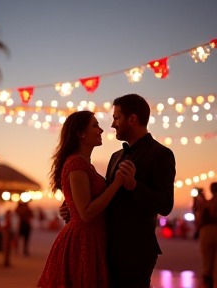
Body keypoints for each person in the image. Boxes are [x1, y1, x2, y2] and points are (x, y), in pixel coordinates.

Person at [60, 94, 176, 288]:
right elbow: (106, 196)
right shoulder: (116, 156)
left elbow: (165, 205)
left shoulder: (160, 154)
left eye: (116, 118)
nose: (112, 124)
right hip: (105, 249)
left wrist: (135, 187)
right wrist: (73, 207)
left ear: (132, 119)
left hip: (135, 252)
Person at [38, 111, 124, 287]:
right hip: (83, 241)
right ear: (80, 133)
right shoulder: (76, 164)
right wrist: (116, 184)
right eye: (95, 125)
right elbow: (85, 213)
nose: (100, 130)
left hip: (92, 238)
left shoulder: (84, 164)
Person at [195, 182, 217, 288]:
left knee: (206, 263)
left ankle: (207, 283)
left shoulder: (206, 203)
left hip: (206, 231)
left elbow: (198, 221)